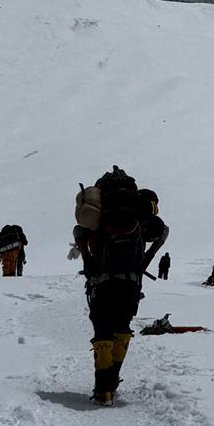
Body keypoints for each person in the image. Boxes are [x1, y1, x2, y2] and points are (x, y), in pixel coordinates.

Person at [72, 166, 167, 405]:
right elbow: (158, 234)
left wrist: (88, 261)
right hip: (131, 283)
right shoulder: (138, 217)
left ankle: (103, 388)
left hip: (102, 282)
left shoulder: (100, 218)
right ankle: (111, 384)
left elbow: (80, 232)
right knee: (121, 330)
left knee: (102, 331)